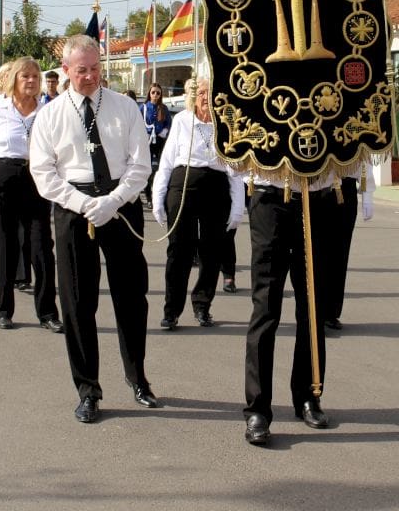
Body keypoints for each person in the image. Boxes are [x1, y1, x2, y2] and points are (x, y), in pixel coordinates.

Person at [30, 34, 158, 424]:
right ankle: (88, 389)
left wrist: (113, 201)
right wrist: (85, 204)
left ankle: (138, 378)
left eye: (95, 69)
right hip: (74, 206)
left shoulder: (124, 107)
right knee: (77, 301)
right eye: (81, 70)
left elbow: (141, 164)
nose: (89, 77)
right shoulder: (50, 115)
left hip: (119, 205)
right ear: (66, 71)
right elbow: (43, 172)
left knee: (131, 296)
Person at [241, 169, 335, 446]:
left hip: (316, 194)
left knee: (313, 305)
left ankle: (308, 394)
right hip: (269, 194)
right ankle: (257, 408)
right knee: (265, 306)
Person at [0, 58, 62, 333]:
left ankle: (47, 312)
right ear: (14, 79)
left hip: (35, 179)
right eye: (26, 76)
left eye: (36, 76)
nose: (31, 81)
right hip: (1, 176)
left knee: (41, 246)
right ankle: (4, 309)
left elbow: (56, 152)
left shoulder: (47, 111)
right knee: (5, 247)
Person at [151, 77, 244, 330]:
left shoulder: (226, 123)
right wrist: (157, 197)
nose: (205, 97)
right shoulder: (182, 120)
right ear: (194, 95)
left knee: (211, 252)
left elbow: (235, 170)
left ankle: (202, 305)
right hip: (183, 186)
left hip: (216, 187)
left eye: (210, 92)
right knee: (178, 251)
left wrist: (238, 207)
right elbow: (167, 162)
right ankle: (171, 310)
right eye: (202, 92)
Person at [315, 160, 377, 331]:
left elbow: (364, 156)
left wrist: (368, 194)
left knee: (339, 254)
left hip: (345, 188)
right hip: (316, 185)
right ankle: (313, 312)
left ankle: (330, 312)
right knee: (316, 255)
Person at [141, 83, 172, 205]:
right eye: (153, 92)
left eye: (158, 93)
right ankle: (149, 197)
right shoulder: (143, 107)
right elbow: (136, 122)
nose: (155, 95)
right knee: (146, 170)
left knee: (159, 169)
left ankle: (158, 196)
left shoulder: (163, 108)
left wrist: (164, 131)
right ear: (149, 93)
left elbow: (168, 123)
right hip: (146, 141)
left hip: (159, 141)